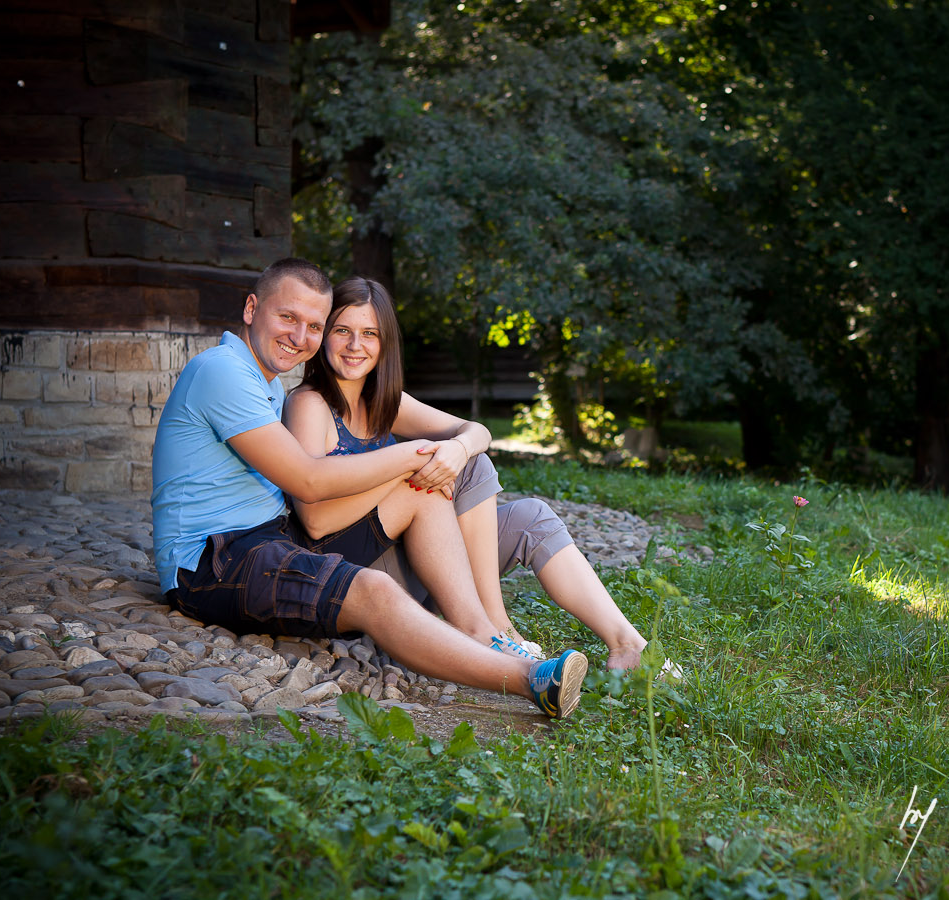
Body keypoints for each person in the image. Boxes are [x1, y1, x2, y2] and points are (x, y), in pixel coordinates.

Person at [150, 257, 587, 718]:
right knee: (374, 590)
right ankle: (532, 680)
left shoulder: (266, 383)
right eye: (288, 317)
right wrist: (413, 453)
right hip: (210, 564)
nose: (299, 337)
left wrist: (437, 457)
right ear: (251, 308)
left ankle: (483, 630)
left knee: (422, 492)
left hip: (269, 539)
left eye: (314, 325)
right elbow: (308, 481)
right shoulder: (222, 371)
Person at [281, 275, 664, 673]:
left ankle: (628, 645)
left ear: (385, 343)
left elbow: (477, 432)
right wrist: (404, 467)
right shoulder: (310, 404)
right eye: (342, 330)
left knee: (521, 508)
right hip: (357, 575)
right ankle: (489, 631)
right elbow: (314, 520)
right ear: (324, 334)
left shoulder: (384, 403)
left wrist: (457, 448)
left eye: (369, 333)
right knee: (427, 481)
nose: (355, 345)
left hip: (413, 557)